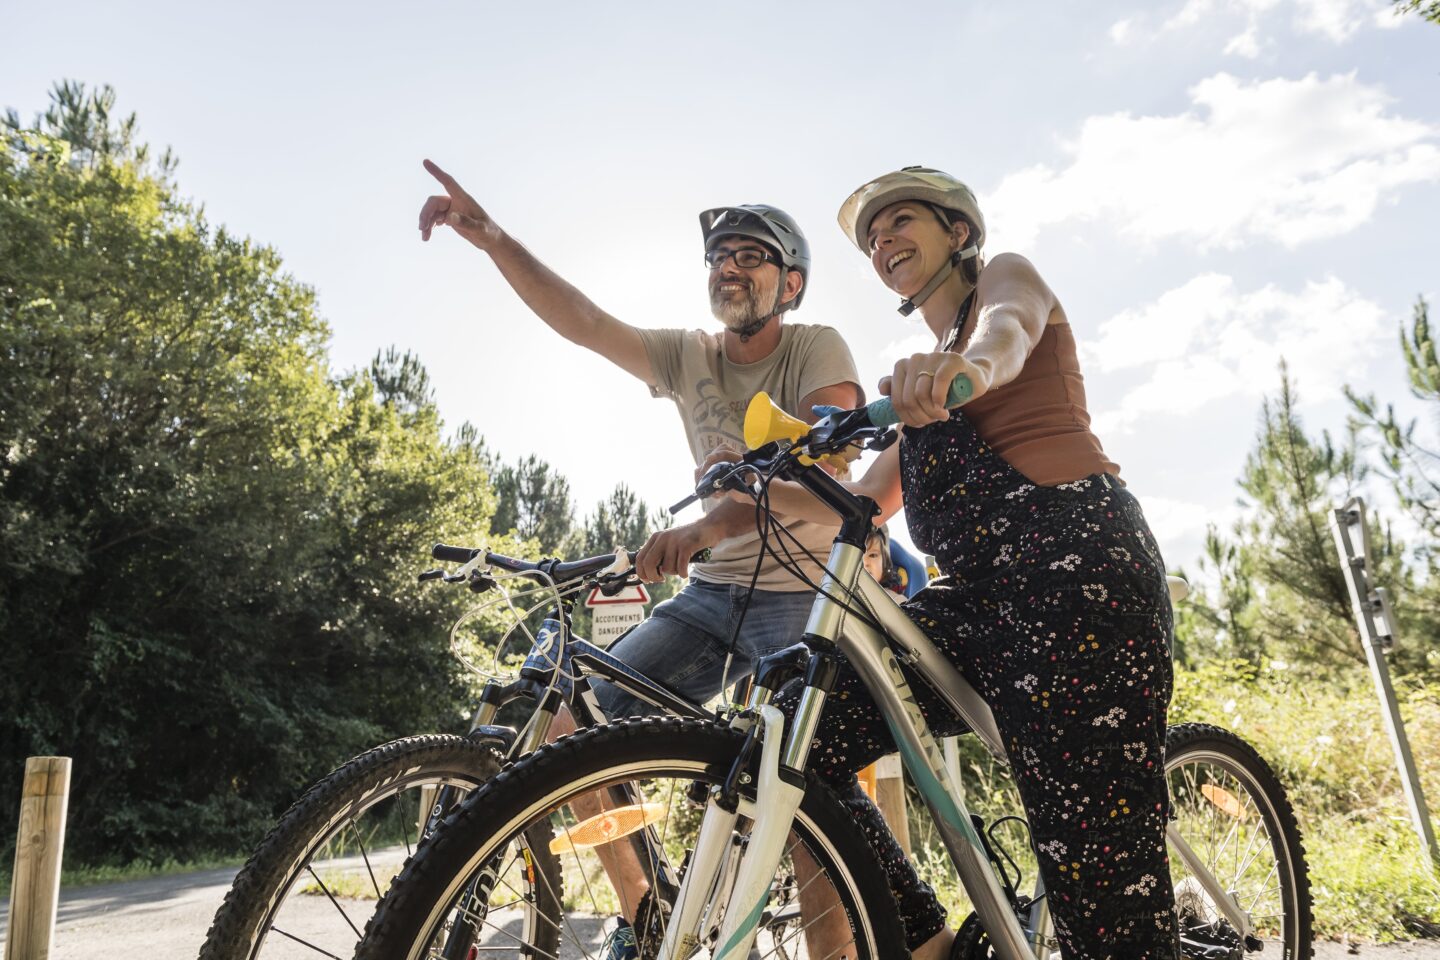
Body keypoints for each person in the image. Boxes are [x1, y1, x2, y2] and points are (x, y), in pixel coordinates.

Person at [722, 167, 1178, 959]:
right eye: (872, 238)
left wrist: (962, 370)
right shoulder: (923, 382)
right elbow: (859, 499)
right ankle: (930, 943)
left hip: (1077, 577)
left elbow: (1004, 335)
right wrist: (729, 505)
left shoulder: (1000, 285)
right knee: (799, 725)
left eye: (900, 221)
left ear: (958, 231)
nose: (883, 242)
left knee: (1098, 890)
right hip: (976, 602)